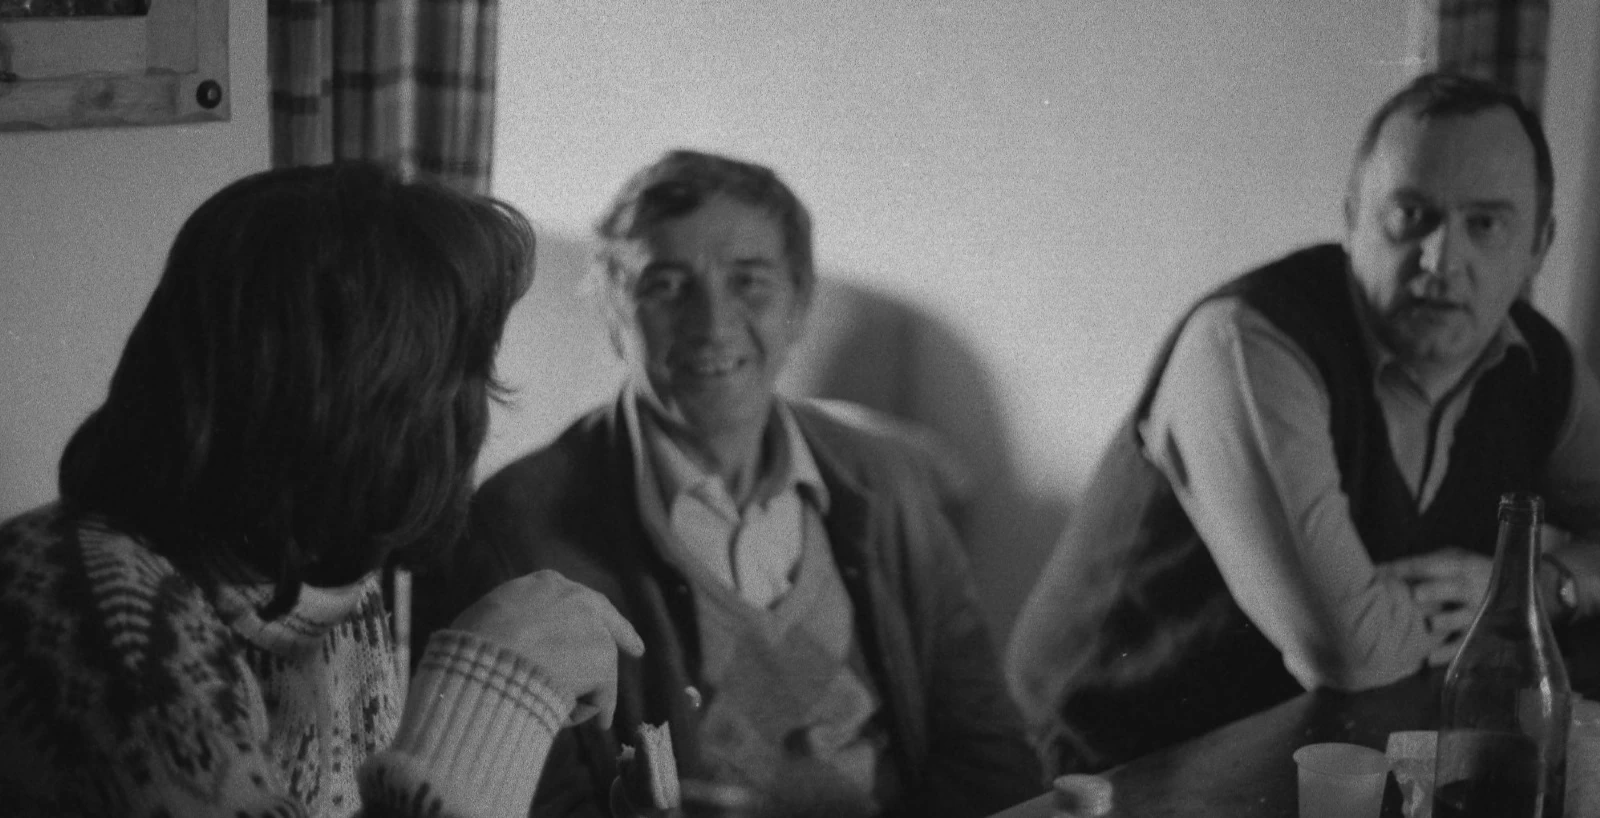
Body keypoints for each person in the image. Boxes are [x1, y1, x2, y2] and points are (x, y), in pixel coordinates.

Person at [0, 163, 645, 818]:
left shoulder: (324, 586)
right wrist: (491, 692)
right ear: (350, 405)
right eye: (460, 378)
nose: (475, 419)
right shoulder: (88, 607)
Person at [1005, 71, 1600, 775]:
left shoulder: (1540, 361)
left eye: (1487, 224)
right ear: (1351, 219)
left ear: (1539, 245)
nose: (1443, 260)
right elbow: (1351, 653)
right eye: (1411, 216)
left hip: (1314, 759)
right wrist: (1501, 615)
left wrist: (1542, 588)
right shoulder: (1248, 344)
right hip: (1104, 768)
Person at [422, 149, 1041, 818]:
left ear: (799, 305)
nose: (712, 326)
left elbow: (989, 756)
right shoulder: (516, 532)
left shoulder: (892, 485)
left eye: (749, 283)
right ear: (615, 312)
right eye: (667, 285)